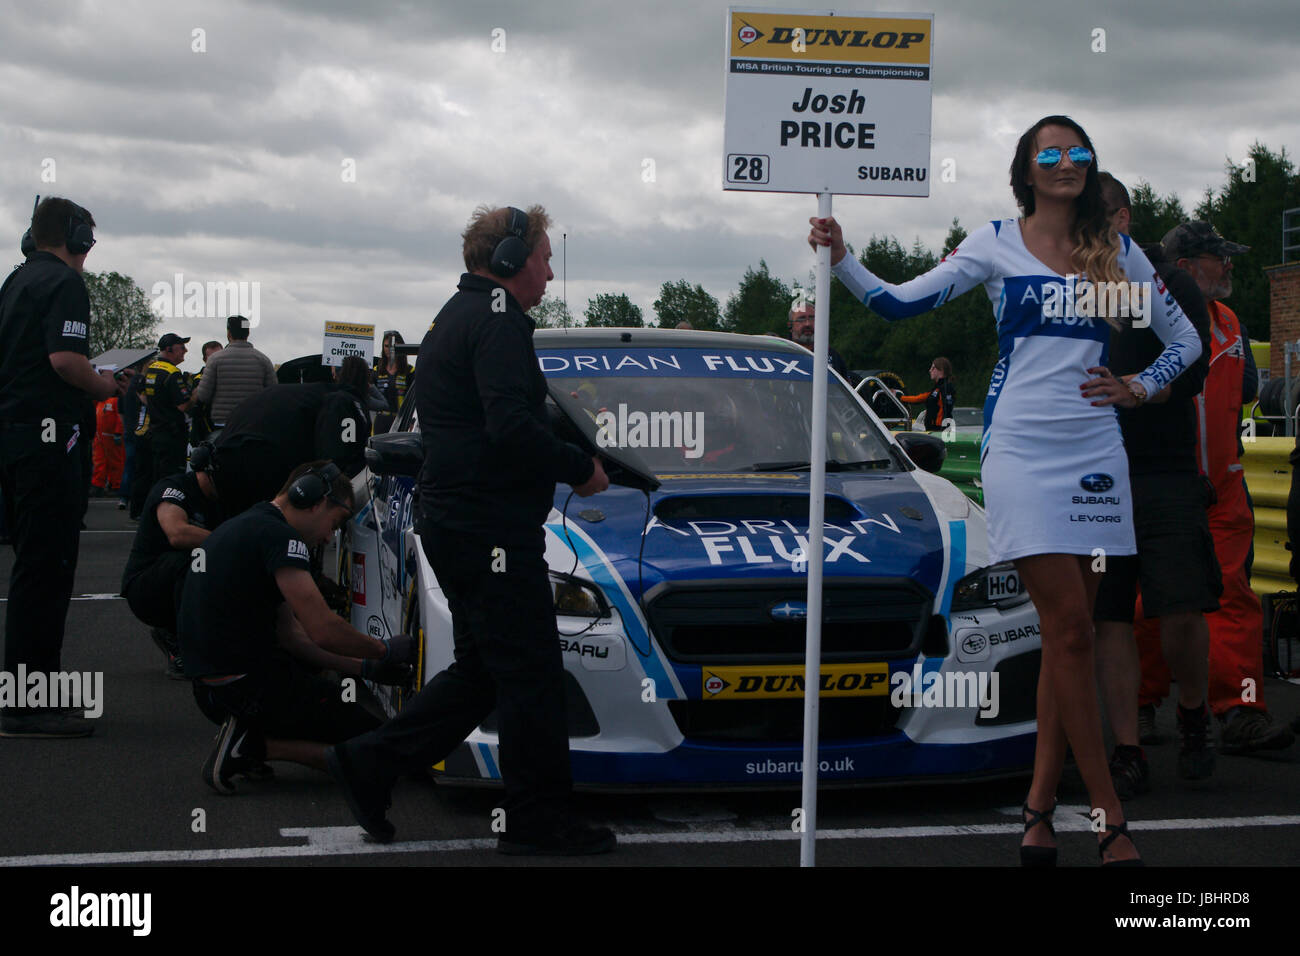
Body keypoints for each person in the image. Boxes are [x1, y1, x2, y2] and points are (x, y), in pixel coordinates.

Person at [808, 115, 1201, 865]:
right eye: (1048, 152)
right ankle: (1109, 816)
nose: (1065, 162)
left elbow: (1189, 343)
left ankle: (1038, 809)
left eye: (1077, 151)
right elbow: (897, 304)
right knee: (1072, 632)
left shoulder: (1117, 253)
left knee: (1069, 641)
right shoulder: (993, 241)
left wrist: (1142, 387)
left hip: (1095, 453)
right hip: (1019, 450)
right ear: (1025, 169)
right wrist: (844, 258)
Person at [325, 203, 614, 854]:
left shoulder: (462, 315)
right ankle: (539, 821)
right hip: (489, 531)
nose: (547, 269)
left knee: (487, 672)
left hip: (462, 525)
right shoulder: (498, 322)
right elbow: (511, 428)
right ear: (510, 260)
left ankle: (369, 764)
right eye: (543, 256)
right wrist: (580, 468)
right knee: (532, 675)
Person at [1135, 222, 1294, 756]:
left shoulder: (1231, 324)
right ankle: (1140, 705)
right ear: (1184, 267)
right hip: (1160, 486)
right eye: (1216, 258)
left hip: (1223, 491)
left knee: (1234, 599)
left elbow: (1246, 390)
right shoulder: (1143, 318)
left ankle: (1243, 709)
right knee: (1147, 600)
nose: (1228, 266)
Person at [1090, 174, 1220, 799]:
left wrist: (1138, 389)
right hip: (1094, 471)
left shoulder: (1169, 283)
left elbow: (1193, 367)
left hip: (1164, 467)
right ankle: (1127, 748)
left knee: (1181, 608)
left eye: (1103, 214)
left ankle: (1194, 714)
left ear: (1125, 217)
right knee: (1109, 614)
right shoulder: (1068, 280)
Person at [178, 461, 416, 793]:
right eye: (335, 523)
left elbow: (293, 638)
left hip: (214, 690)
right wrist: (384, 649)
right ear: (314, 500)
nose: (329, 536)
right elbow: (322, 629)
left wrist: (366, 668)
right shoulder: (281, 538)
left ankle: (251, 738)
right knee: (381, 748)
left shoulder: (252, 524)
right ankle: (254, 745)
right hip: (246, 689)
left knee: (334, 706)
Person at [0, 196, 131, 737]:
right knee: (47, 572)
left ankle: (29, 694)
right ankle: (28, 706)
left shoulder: (16, 282)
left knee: (35, 567)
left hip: (17, 438)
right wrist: (107, 386)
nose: (89, 253)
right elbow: (65, 361)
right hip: (47, 443)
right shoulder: (64, 283)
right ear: (74, 237)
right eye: (89, 241)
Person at [209, 358, 372, 517]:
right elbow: (338, 458)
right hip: (258, 459)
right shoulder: (346, 402)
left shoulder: (310, 394)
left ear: (336, 374)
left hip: (228, 451)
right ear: (368, 382)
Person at [120, 451, 229, 678]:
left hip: (175, 582)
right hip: (146, 588)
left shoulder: (222, 498)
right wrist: (231, 541)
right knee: (192, 559)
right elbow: (177, 533)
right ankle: (181, 643)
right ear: (206, 471)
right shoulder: (174, 488)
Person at [131, 333, 193, 518]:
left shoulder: (151, 369)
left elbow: (143, 397)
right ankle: (167, 515)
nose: (185, 351)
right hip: (171, 433)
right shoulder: (172, 373)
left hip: (155, 431)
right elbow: (183, 405)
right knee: (172, 477)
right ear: (169, 349)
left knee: (155, 475)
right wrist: (196, 393)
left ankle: (149, 511)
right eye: (181, 347)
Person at [192, 314, 276, 429]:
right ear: (248, 333)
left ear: (229, 333)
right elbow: (272, 394)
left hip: (223, 424)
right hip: (253, 423)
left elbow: (203, 396)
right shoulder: (263, 360)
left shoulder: (215, 360)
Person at [788, 301, 855, 384]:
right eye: (801, 319)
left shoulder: (833, 356)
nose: (807, 324)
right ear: (790, 326)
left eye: (812, 318)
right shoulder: (781, 354)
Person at [900, 357, 957, 432]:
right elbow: (918, 399)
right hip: (932, 430)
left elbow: (946, 410)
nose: (930, 370)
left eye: (933, 368)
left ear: (941, 370)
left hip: (939, 431)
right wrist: (899, 397)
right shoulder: (936, 389)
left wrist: (942, 431)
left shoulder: (946, 388)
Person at [373, 330, 412, 435]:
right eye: (386, 346)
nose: (389, 349)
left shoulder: (410, 371)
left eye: (393, 346)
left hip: (401, 420)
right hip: (381, 420)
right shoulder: (376, 371)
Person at [188, 340, 223, 446]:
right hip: (205, 432)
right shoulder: (198, 379)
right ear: (205, 359)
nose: (217, 360)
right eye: (212, 357)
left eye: (220, 355)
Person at [90, 394, 125, 496]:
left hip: (112, 437)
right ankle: (97, 485)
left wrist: (118, 432)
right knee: (99, 461)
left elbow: (120, 417)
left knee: (115, 461)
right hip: (99, 437)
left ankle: (116, 485)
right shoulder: (101, 400)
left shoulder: (116, 400)